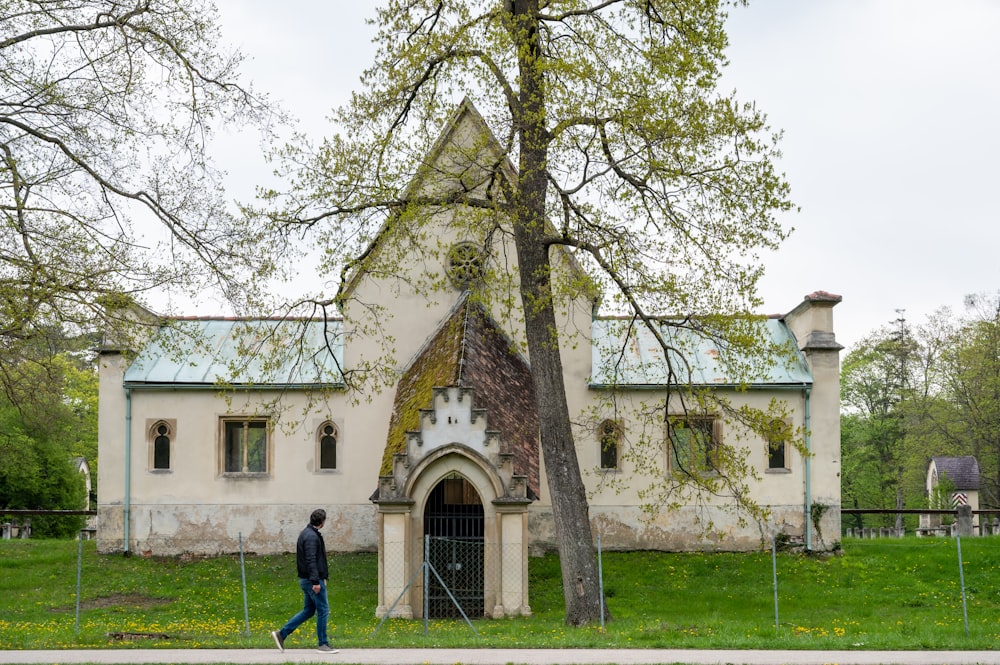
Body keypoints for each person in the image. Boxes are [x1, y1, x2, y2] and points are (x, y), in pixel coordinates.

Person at [271, 509, 337, 653]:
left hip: (307, 579)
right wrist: (316, 582)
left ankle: (281, 634)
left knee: (309, 610)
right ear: (322, 522)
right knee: (323, 611)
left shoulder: (307, 533)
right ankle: (323, 644)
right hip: (312, 580)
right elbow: (311, 560)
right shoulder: (311, 537)